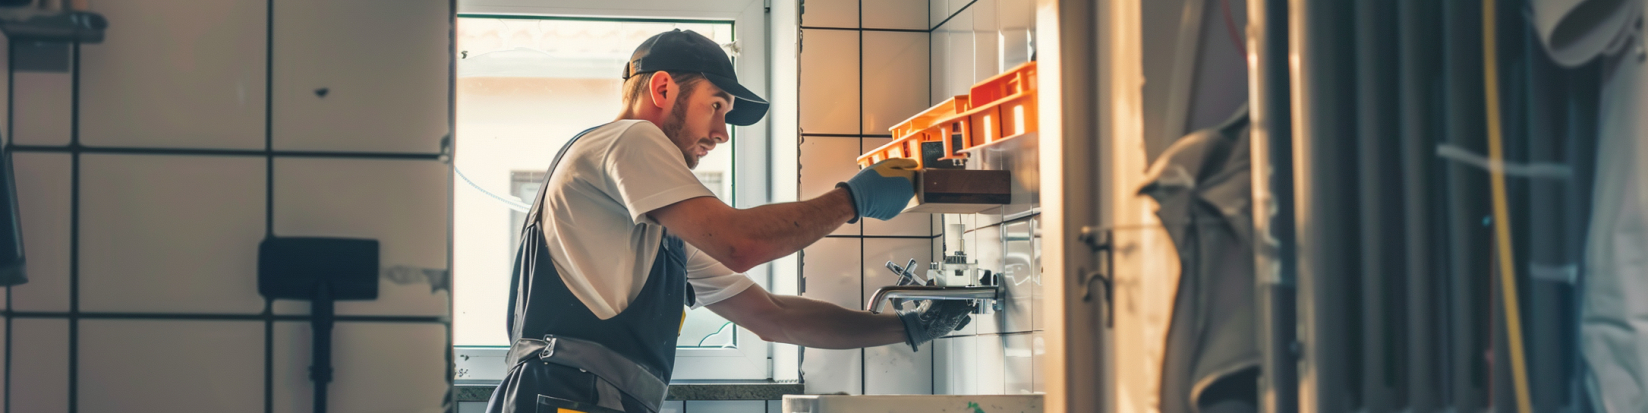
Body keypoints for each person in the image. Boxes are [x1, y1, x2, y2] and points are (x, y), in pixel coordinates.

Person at [485, 29, 976, 413]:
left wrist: (910, 326)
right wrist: (854, 198)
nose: (721, 133)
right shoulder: (631, 139)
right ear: (661, 88)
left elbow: (771, 317)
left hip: (573, 395)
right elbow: (741, 244)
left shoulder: (658, 225)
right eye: (716, 106)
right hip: (568, 397)